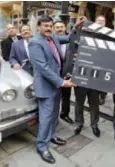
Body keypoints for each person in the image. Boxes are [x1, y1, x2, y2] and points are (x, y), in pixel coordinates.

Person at [29, 15, 78, 164]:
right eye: (45, 26)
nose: (49, 28)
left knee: (54, 115)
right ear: (38, 27)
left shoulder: (53, 38)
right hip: (46, 86)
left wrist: (78, 26)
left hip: (56, 85)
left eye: (50, 25)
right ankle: (42, 146)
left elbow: (70, 37)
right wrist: (62, 82)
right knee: (46, 117)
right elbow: (42, 68)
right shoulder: (35, 42)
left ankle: (51, 136)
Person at [53, 20, 73, 124]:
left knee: (66, 96)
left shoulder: (71, 39)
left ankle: (65, 114)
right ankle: (53, 117)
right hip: (54, 74)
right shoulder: (50, 40)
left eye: (61, 26)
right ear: (54, 29)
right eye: (57, 27)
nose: (60, 29)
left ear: (65, 28)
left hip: (67, 73)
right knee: (54, 97)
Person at [94, 15, 108, 105]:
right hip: (93, 59)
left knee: (104, 80)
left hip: (105, 60)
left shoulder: (109, 32)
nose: (100, 22)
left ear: (105, 23)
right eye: (99, 21)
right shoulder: (90, 30)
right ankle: (94, 96)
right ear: (95, 22)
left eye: (102, 21)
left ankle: (102, 96)